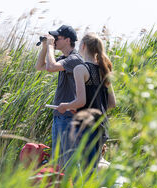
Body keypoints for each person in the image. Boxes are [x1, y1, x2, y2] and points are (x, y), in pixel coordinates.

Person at [56, 32, 116, 170]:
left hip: (85, 128)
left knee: (86, 172)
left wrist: (65, 106)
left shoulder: (80, 69)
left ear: (82, 46)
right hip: (102, 126)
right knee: (96, 167)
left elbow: (81, 101)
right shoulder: (104, 71)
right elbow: (112, 103)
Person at [35, 25, 84, 168]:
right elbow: (40, 66)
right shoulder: (64, 58)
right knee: (60, 164)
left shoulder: (75, 59)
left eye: (57, 38)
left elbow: (51, 67)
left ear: (68, 40)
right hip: (59, 116)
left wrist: (50, 46)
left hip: (69, 116)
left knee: (70, 162)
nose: (55, 40)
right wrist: (45, 46)